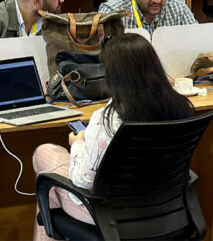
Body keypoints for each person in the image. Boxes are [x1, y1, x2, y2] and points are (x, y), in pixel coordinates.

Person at [31, 32, 194, 241]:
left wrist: (78, 143)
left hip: (109, 216)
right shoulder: (180, 107)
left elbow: (83, 180)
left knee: (45, 162)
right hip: (167, 209)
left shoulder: (108, 119)